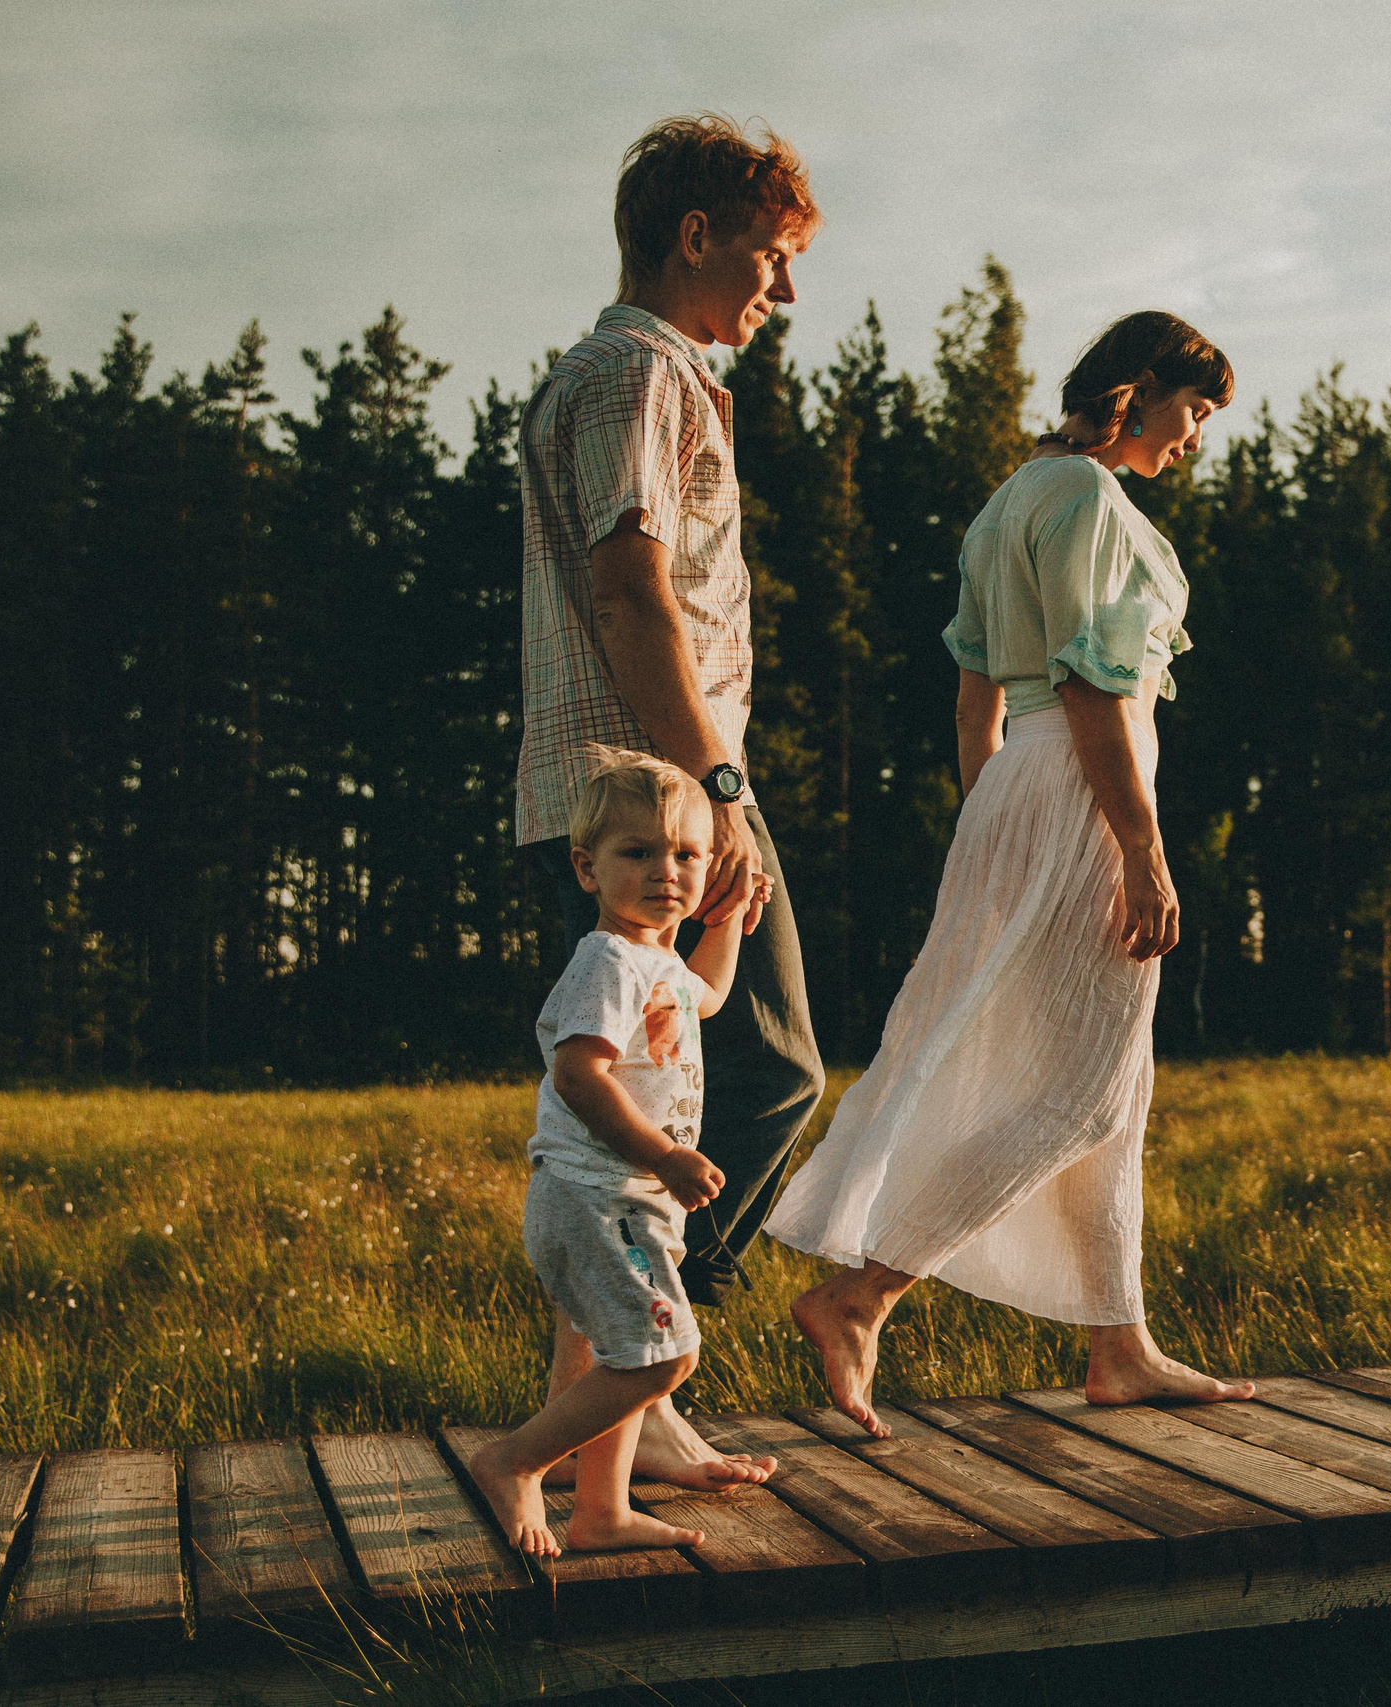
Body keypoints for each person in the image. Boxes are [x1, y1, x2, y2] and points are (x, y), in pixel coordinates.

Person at [765, 312, 1257, 1436]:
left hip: (1020, 786)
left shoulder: (1007, 500)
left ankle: (1118, 1345)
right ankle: (861, 1293)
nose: (1195, 438)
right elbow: (1094, 689)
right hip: (1084, 787)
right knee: (1080, 1090)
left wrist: (996, 810)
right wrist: (1135, 848)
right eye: (1194, 411)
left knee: (1111, 1088)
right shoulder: (1086, 499)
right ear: (1139, 391)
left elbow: (974, 692)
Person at [514, 114, 827, 1486]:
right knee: (769, 1067)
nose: (785, 290)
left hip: (626, 799)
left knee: (677, 1091)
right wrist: (719, 797)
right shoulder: (639, 374)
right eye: (771, 256)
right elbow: (633, 589)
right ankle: (651, 1348)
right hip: (649, 808)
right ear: (694, 237)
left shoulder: (623, 375)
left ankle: (634, 1407)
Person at [468, 748, 775, 1558]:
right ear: (587, 869)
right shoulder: (607, 960)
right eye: (637, 852)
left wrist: (730, 917)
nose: (665, 870)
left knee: (627, 1349)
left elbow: (704, 996)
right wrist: (665, 1154)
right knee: (663, 1355)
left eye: (685, 854)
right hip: (597, 1194)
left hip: (629, 1199)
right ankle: (514, 1460)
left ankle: (601, 1510)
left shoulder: (656, 960)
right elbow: (577, 1074)